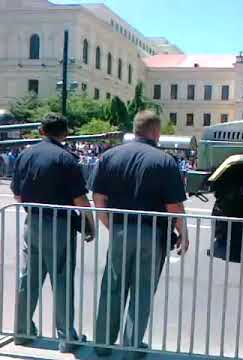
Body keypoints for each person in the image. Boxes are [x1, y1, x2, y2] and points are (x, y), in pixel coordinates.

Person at [91, 110, 188, 359]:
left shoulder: (109, 156)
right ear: (156, 131)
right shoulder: (165, 161)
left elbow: (98, 198)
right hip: (152, 233)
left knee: (112, 287)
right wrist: (183, 232)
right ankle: (131, 348)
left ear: (135, 129)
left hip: (120, 230)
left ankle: (102, 344)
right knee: (142, 291)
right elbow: (174, 206)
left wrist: (111, 226)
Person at [11, 113, 95, 353]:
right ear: (65, 133)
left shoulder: (25, 154)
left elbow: (17, 194)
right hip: (59, 225)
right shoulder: (66, 159)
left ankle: (22, 331)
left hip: (32, 222)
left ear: (41, 131)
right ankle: (67, 337)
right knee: (61, 280)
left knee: (29, 279)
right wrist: (89, 223)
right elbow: (79, 198)